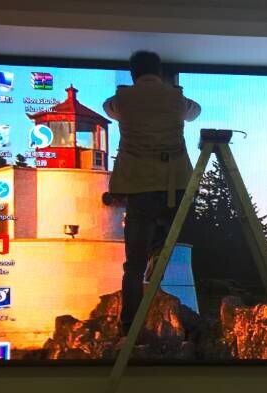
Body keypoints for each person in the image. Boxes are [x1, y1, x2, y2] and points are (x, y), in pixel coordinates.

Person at [103, 50, 201, 334]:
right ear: (158, 72)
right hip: (174, 185)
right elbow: (195, 111)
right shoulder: (175, 98)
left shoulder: (123, 99)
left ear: (133, 73)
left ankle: (129, 324)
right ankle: (157, 258)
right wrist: (172, 94)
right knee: (168, 240)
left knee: (133, 264)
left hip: (138, 188)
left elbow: (108, 107)